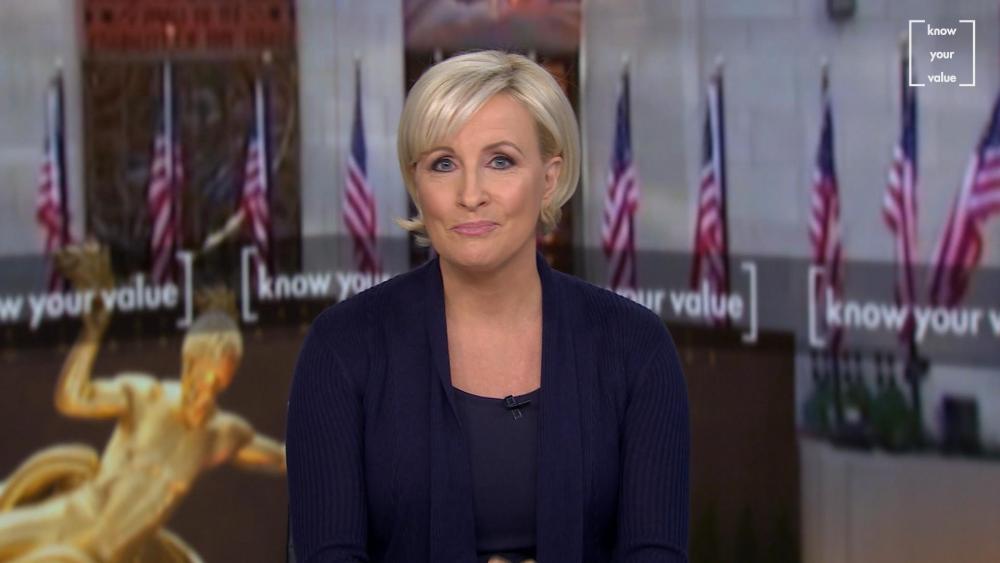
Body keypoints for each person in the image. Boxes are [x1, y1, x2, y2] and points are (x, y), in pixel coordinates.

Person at [287, 50, 689, 563]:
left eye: (500, 161)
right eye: (443, 164)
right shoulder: (342, 348)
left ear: (549, 177)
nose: (470, 194)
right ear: (417, 184)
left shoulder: (636, 348)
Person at [0, 243, 286, 563]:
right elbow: (72, 398)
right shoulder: (147, 397)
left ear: (227, 381)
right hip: (69, 517)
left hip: (105, 556)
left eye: (215, 383)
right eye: (197, 376)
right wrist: (93, 332)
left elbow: (283, 458)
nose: (203, 391)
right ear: (186, 363)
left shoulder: (222, 434)